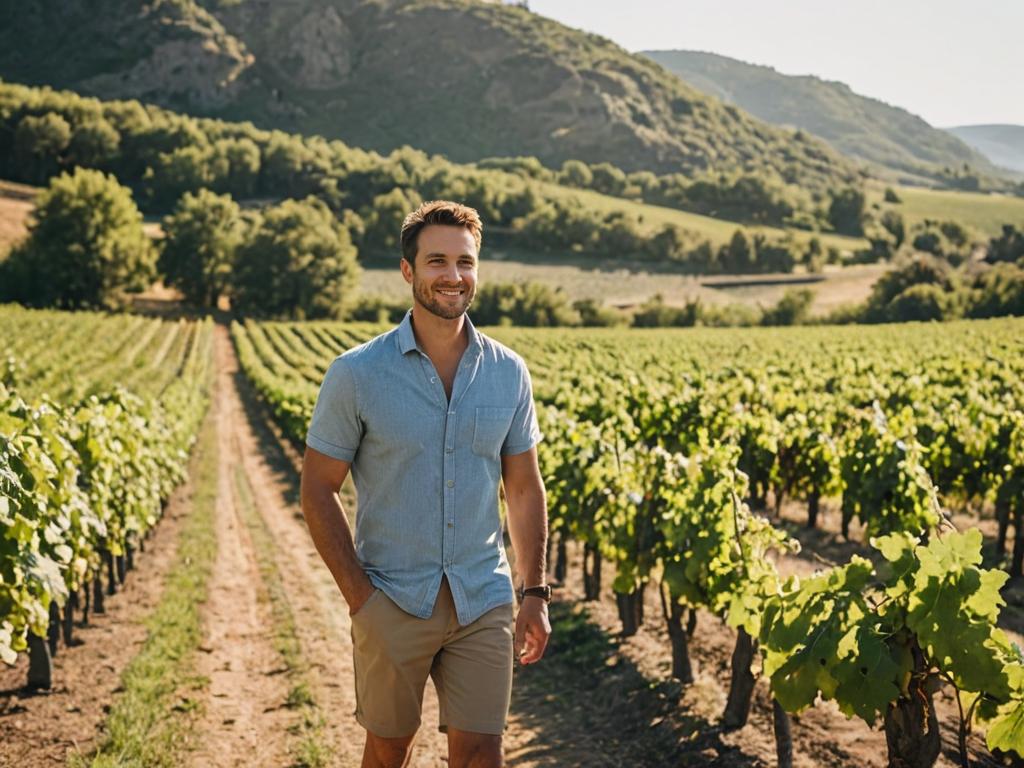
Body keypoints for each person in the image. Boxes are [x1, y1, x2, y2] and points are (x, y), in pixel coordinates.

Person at [300, 200, 551, 768]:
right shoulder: (356, 374)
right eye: (437, 261)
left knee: (483, 753)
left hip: (481, 599)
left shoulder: (509, 372)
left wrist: (533, 593)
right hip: (392, 596)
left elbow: (524, 489)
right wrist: (361, 599)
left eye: (465, 262)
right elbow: (317, 489)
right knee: (390, 751)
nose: (453, 275)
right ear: (408, 271)